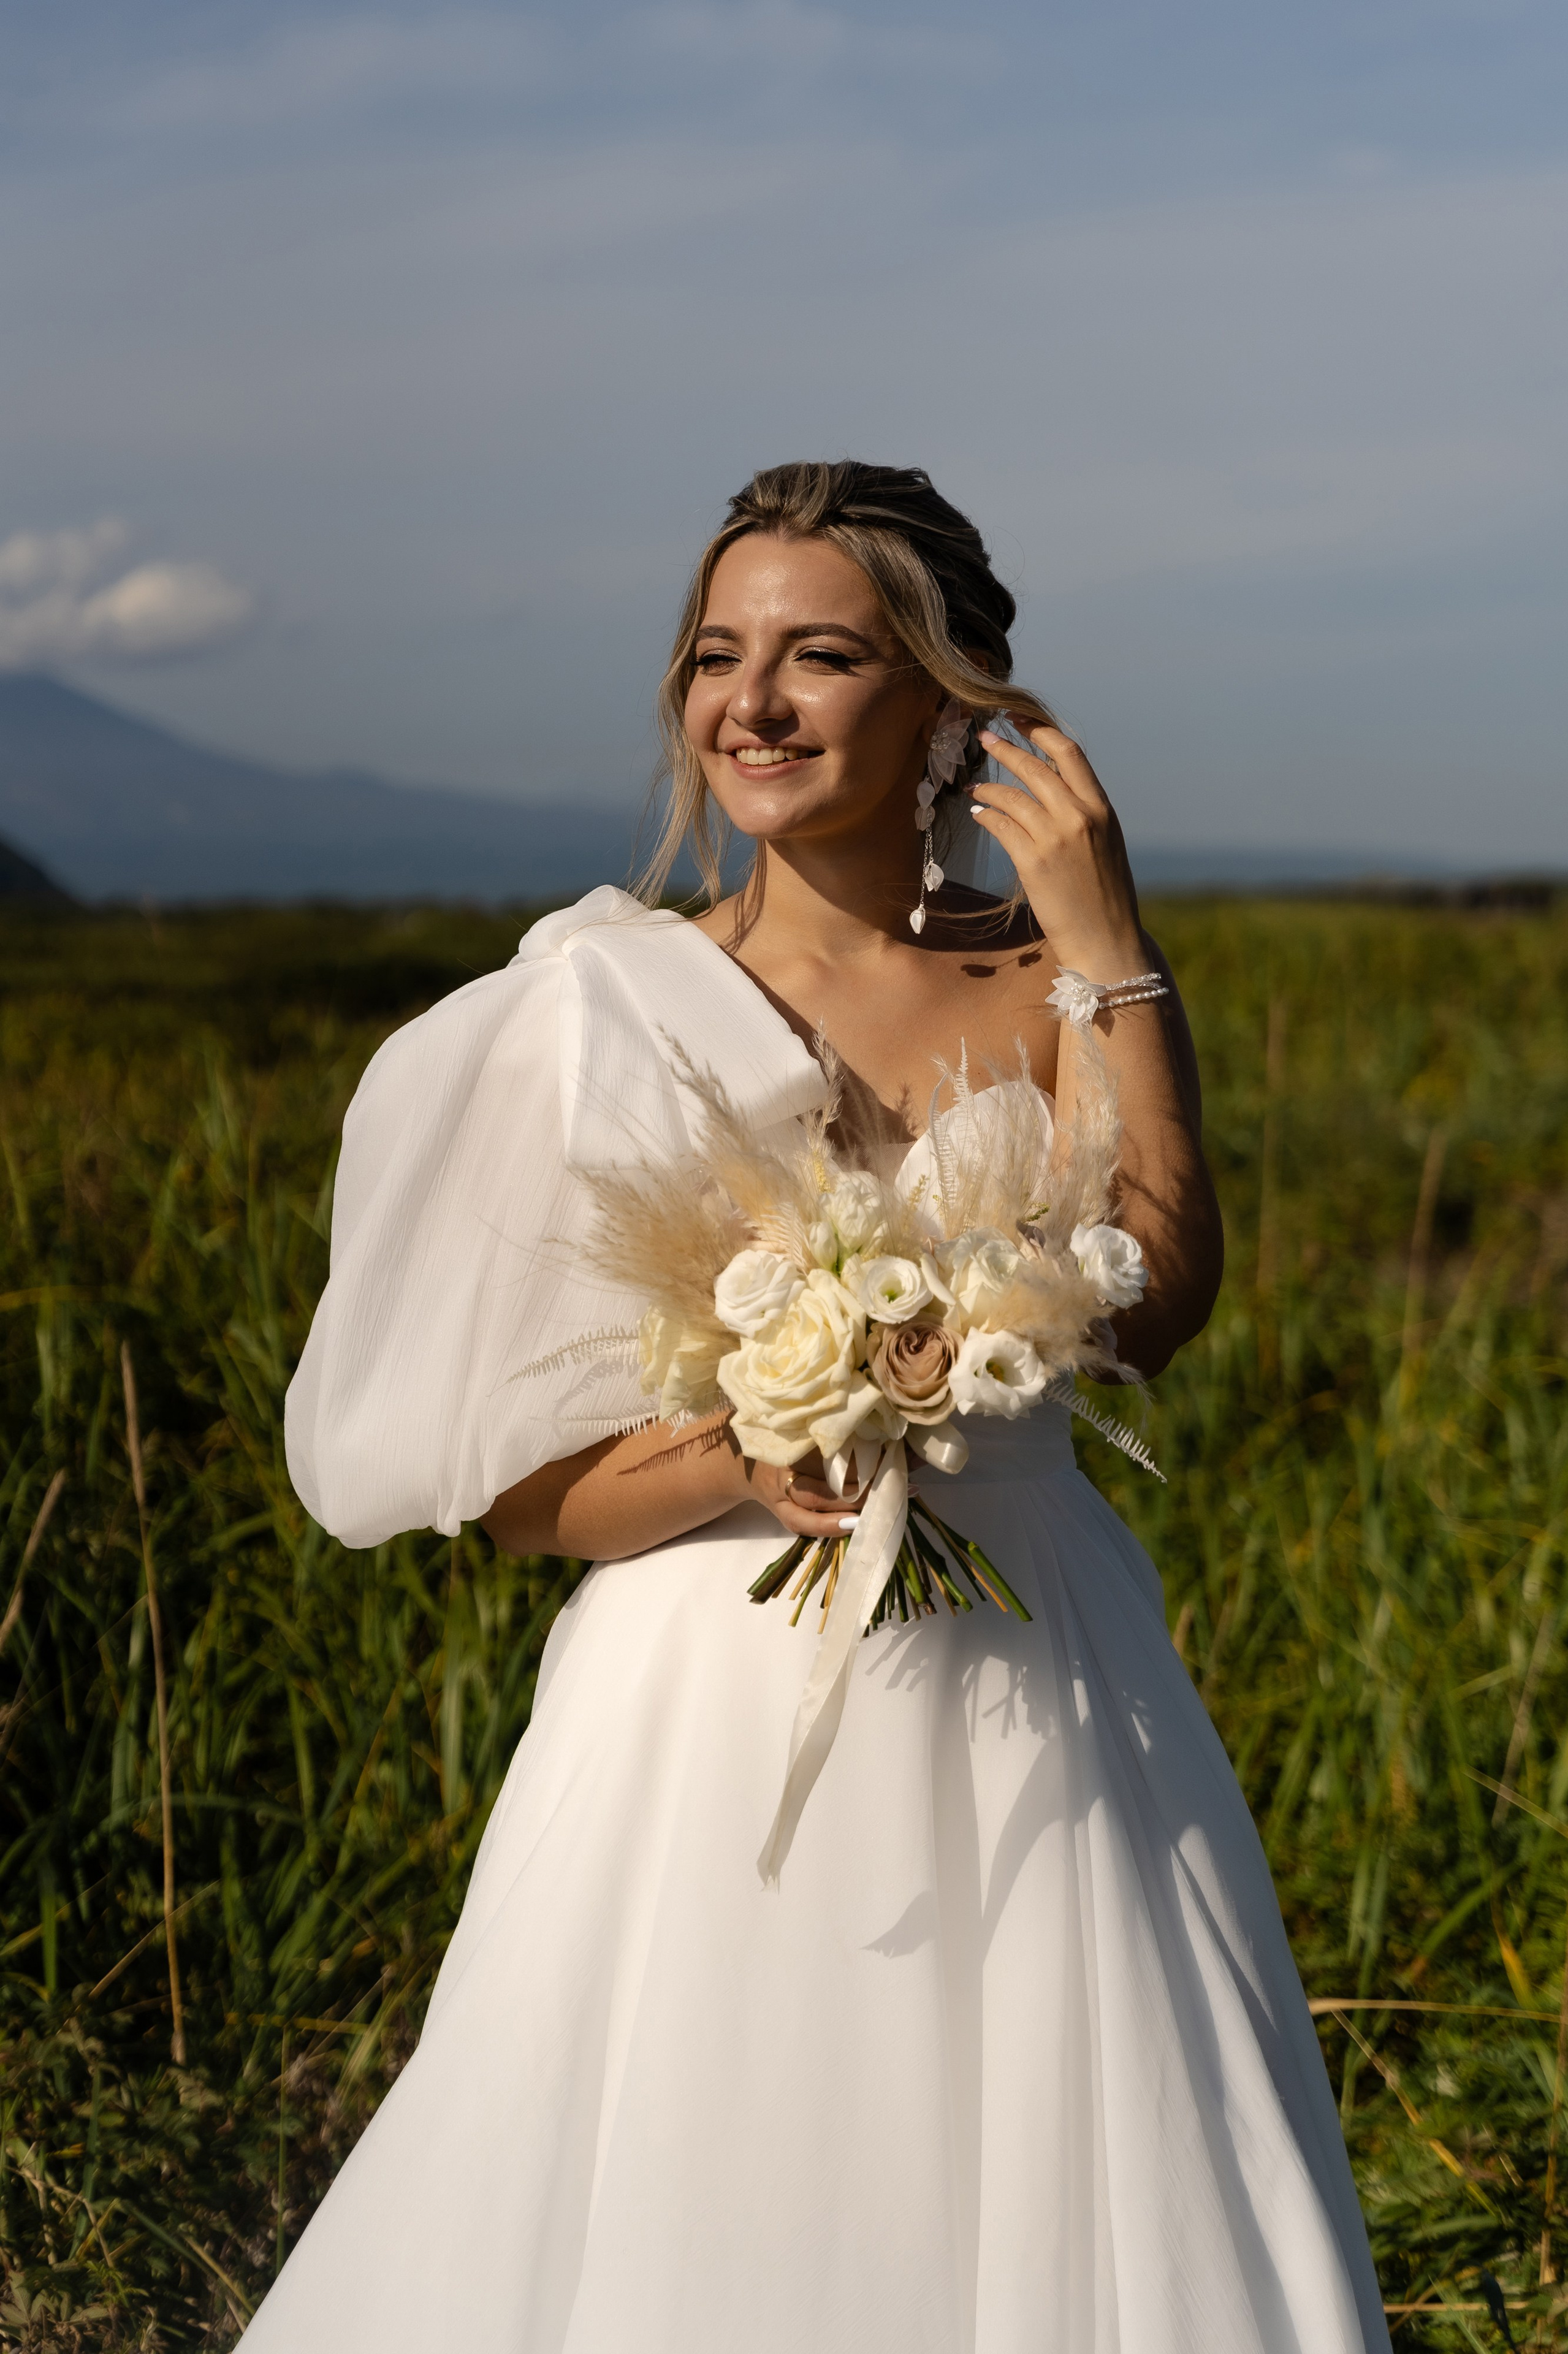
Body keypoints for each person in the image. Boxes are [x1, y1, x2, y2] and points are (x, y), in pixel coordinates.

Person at [248, 462, 1390, 2351]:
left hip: (1047, 1684)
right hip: (706, 1701)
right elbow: (525, 1491)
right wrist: (743, 1449)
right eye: (719, 655)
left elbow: (1162, 1305)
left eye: (824, 655)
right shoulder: (593, 1012)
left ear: (953, 699)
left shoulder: (1058, 984)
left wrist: (1105, 934)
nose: (751, 704)